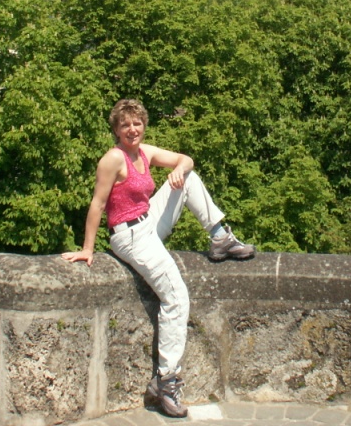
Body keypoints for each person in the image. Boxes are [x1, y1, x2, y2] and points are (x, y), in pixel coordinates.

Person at [62, 98, 254, 417]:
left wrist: (179, 169)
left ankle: (219, 237)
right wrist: (87, 249)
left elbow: (186, 159)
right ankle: (166, 381)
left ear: (143, 124)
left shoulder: (146, 152)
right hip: (129, 235)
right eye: (125, 125)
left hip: (148, 222)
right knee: (176, 297)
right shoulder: (113, 159)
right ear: (116, 129)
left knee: (188, 178)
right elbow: (97, 205)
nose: (132, 129)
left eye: (136, 123)